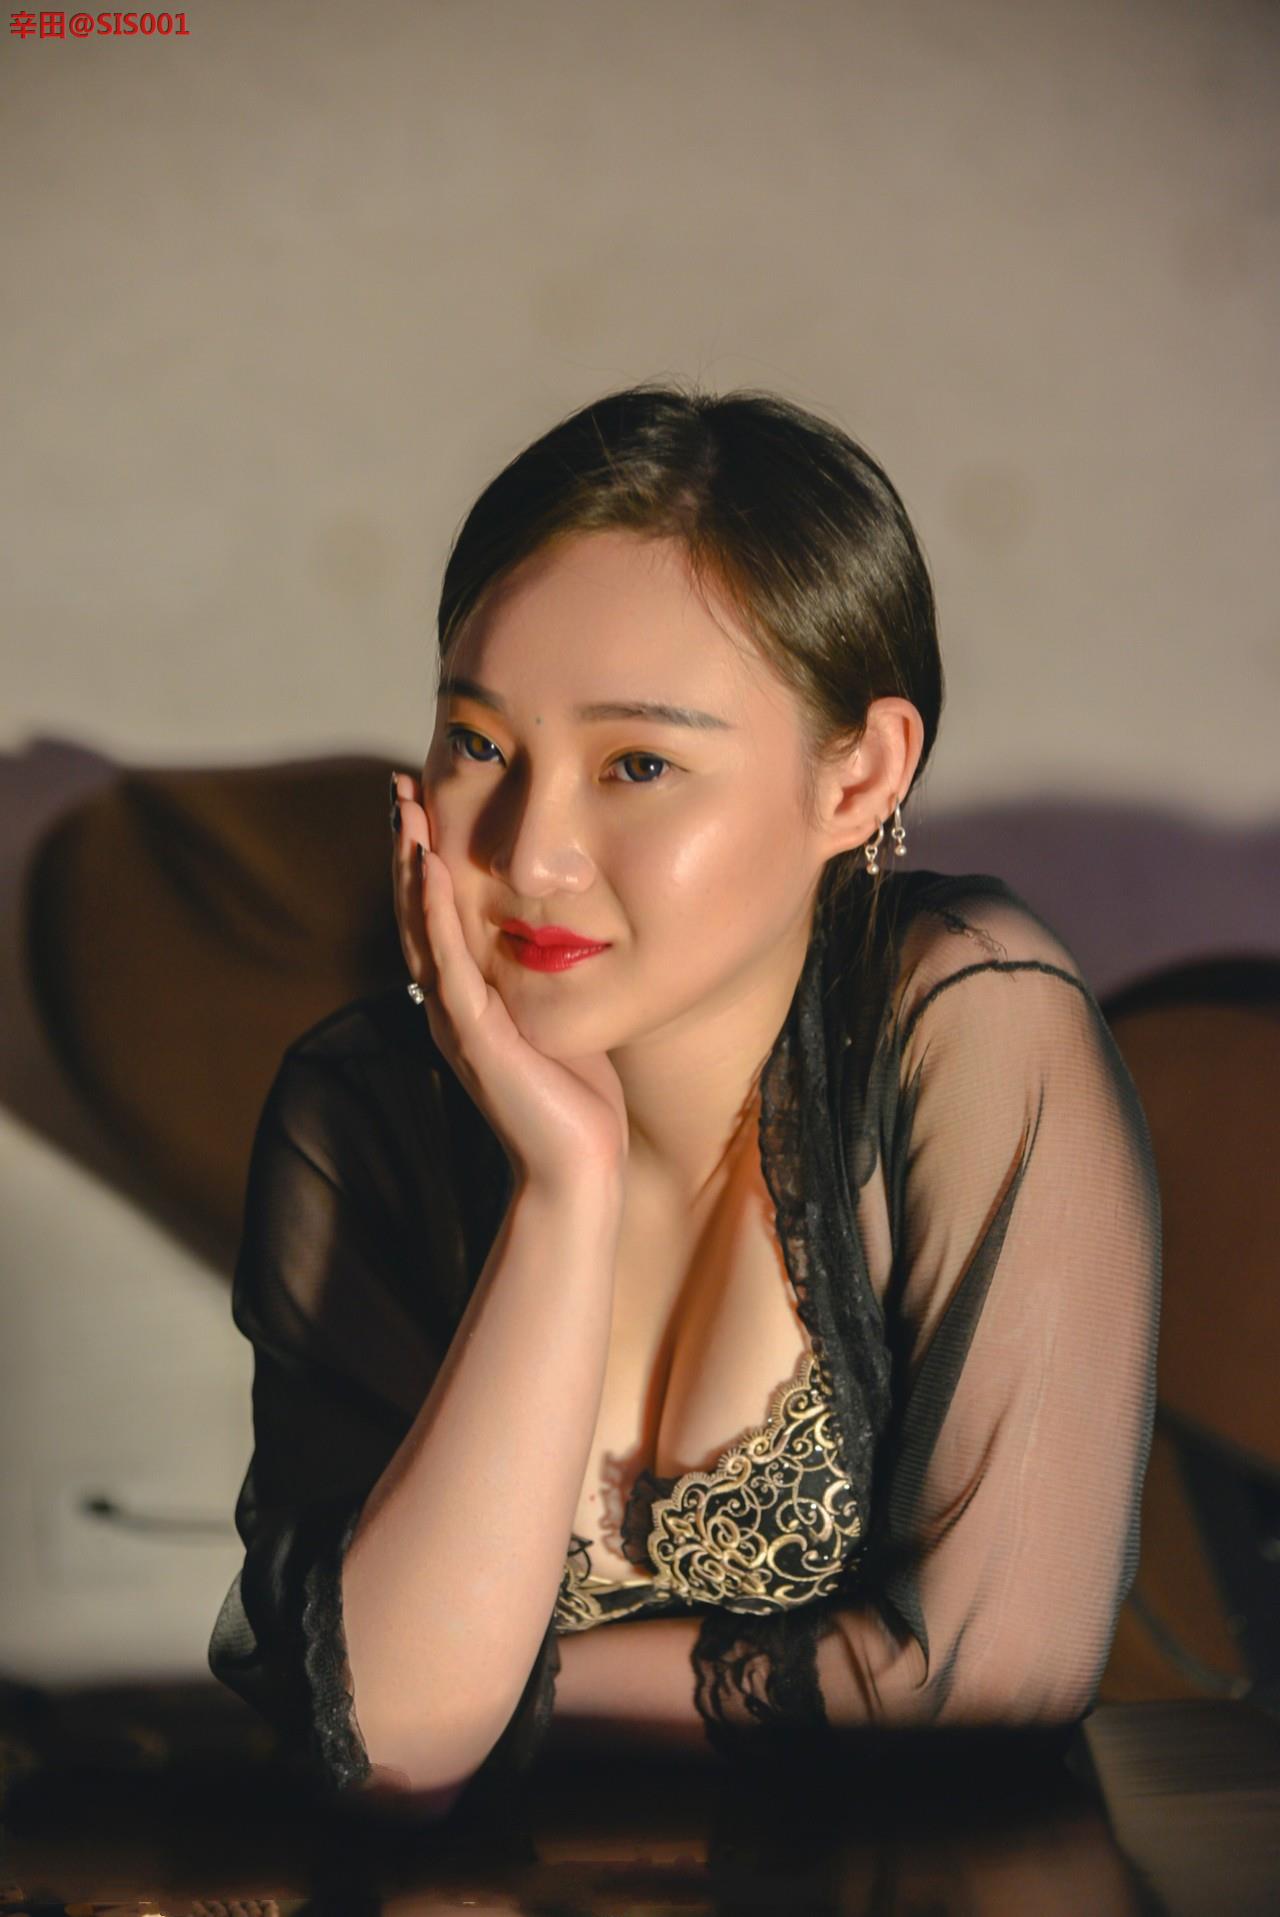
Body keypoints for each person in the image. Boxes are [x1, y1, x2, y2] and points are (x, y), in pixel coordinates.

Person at [207, 383, 1161, 1821]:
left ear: (860, 779)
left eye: (639, 765)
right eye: (478, 743)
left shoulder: (971, 1018)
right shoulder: (358, 1112)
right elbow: (394, 1754)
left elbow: (988, 1677)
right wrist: (565, 1187)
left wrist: (502, 1685)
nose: (532, 854)